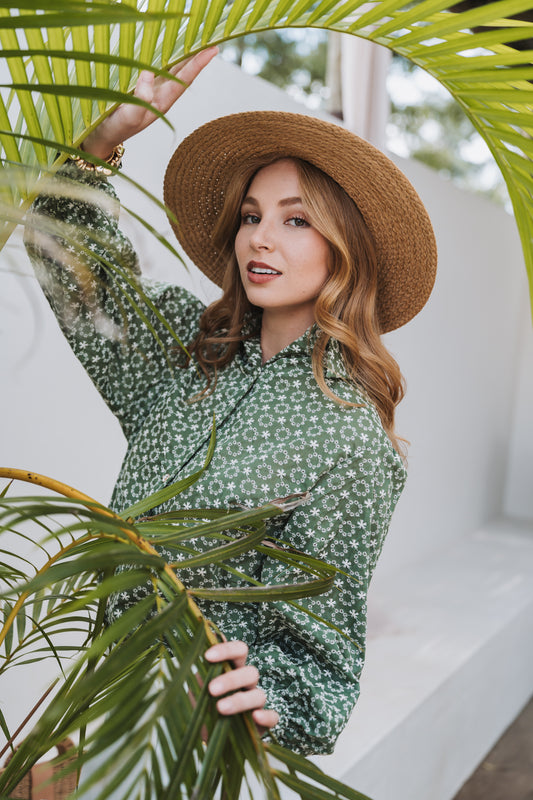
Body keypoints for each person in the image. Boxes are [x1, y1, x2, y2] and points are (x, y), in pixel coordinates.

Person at [24, 47, 437, 756]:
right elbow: (77, 268)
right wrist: (104, 139)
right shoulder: (189, 354)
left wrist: (261, 690)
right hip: (79, 716)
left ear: (347, 248)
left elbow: (320, 669)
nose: (261, 237)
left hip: (178, 746)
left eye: (296, 220)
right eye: (250, 215)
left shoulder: (350, 443)